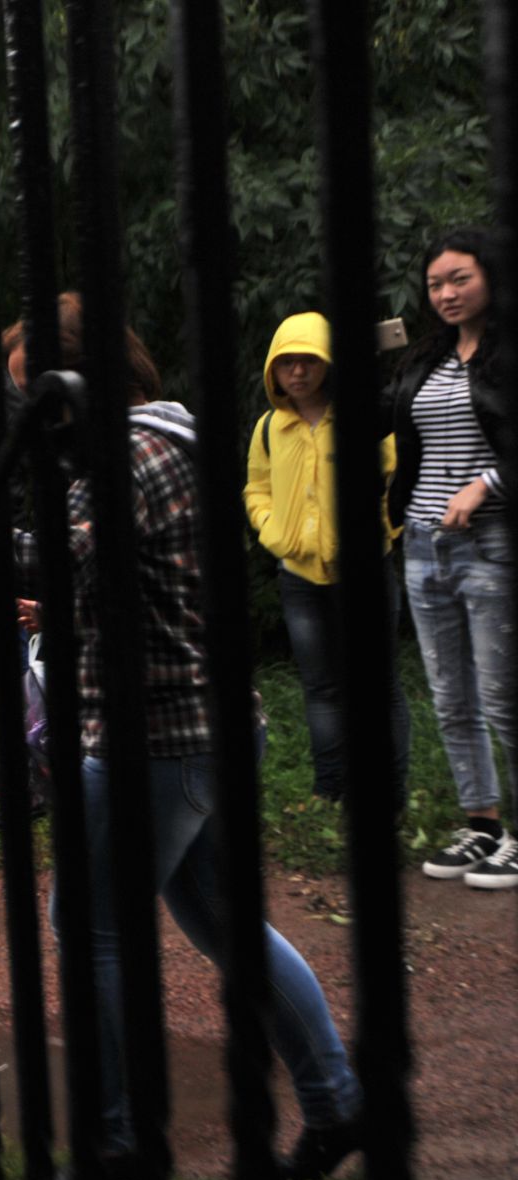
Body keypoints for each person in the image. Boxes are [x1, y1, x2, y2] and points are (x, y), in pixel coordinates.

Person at [0, 293, 362, 1180]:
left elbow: (53, 555)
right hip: (205, 728)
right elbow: (121, 573)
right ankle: (338, 1101)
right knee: (228, 926)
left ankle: (122, 1138)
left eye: (29, 396)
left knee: (89, 924)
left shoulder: (129, 452)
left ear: (74, 382)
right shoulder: (168, 434)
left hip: (159, 736)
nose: (25, 418)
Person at [389, 228, 518, 889]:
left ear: (490, 276)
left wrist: (486, 483)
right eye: (437, 283)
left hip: (491, 542)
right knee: (451, 698)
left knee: (502, 696)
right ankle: (484, 825)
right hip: (422, 541)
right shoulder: (424, 359)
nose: (446, 292)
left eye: (459, 278)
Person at [242, 312, 409, 809]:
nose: (297, 372)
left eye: (308, 360)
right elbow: (257, 488)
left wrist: (381, 529)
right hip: (298, 578)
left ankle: (391, 793)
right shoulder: (271, 427)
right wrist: (276, 534)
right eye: (287, 362)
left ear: (327, 364)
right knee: (321, 688)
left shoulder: (365, 417)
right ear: (273, 371)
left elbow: (398, 477)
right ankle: (329, 790)